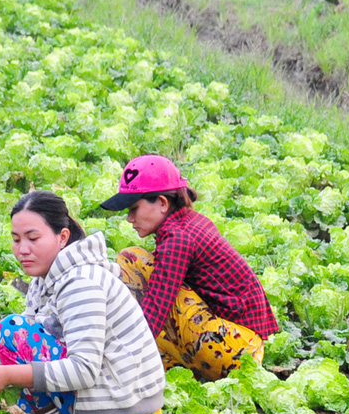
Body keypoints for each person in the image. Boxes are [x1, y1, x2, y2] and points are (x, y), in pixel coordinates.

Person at [0, 190, 166, 414]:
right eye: (16, 239)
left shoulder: (80, 283)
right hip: (116, 410)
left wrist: (6, 375)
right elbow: (36, 344)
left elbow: (83, 370)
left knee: (10, 330)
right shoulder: (48, 279)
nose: (22, 249)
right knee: (14, 341)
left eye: (33, 238)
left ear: (62, 237)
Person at [98, 154, 277, 381]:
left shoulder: (178, 238)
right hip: (241, 345)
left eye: (134, 208)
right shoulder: (190, 221)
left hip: (236, 348)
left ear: (162, 203)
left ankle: (133, 361)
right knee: (142, 275)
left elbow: (155, 306)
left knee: (133, 261)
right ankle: (165, 364)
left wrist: (117, 358)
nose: (129, 218)